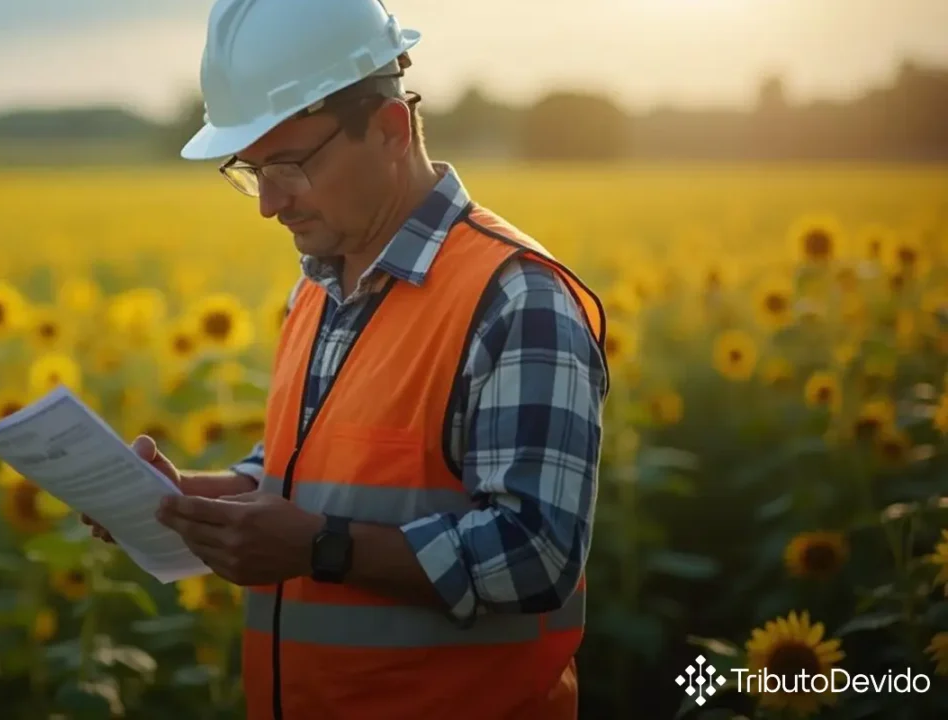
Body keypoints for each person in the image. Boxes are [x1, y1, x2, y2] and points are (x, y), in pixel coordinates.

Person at [84, 0, 610, 717]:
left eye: (289, 165)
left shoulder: (517, 300)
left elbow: (535, 556)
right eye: (251, 169)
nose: (269, 203)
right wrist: (191, 500)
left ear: (390, 129)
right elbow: (305, 475)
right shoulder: (318, 288)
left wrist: (321, 550)